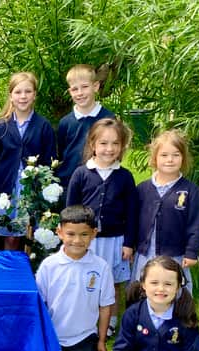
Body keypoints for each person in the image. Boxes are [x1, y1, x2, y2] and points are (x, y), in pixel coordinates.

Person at [66, 118, 138, 338]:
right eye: (104, 143)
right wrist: (71, 240)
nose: (109, 149)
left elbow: (132, 213)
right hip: (87, 241)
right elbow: (70, 209)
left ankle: (110, 322)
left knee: (112, 284)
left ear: (122, 146)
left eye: (115, 144)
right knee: (84, 281)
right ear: (92, 144)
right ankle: (83, 320)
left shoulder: (125, 177)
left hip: (114, 241)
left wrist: (128, 243)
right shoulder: (81, 174)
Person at [35, 205, 115, 351]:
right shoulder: (49, 266)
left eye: (84, 235)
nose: (77, 240)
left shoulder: (101, 267)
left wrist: (101, 340)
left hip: (85, 338)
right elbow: (40, 305)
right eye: (71, 234)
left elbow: (105, 307)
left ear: (94, 233)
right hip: (55, 336)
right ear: (60, 232)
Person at [0, 71, 56, 250]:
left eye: (28, 92)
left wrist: (46, 191)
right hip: (8, 188)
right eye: (18, 92)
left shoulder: (43, 126)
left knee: (32, 232)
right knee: (11, 236)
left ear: (34, 95)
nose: (23, 96)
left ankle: (30, 271)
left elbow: (50, 161)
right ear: (11, 96)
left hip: (32, 189)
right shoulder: (3, 126)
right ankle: (10, 273)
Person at [131, 129, 199, 294]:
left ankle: (176, 318)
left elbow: (195, 225)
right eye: (164, 155)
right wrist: (131, 246)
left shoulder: (190, 191)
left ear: (183, 158)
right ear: (155, 158)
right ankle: (143, 317)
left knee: (173, 292)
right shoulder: (143, 189)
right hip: (145, 254)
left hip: (174, 254)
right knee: (144, 289)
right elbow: (134, 220)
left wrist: (191, 252)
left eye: (176, 155)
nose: (170, 160)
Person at [56, 64, 115, 194]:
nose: (80, 93)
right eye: (75, 89)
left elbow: (115, 151)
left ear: (96, 86)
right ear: (70, 91)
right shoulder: (65, 122)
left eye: (85, 87)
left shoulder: (108, 119)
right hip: (69, 183)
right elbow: (60, 153)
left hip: (99, 184)